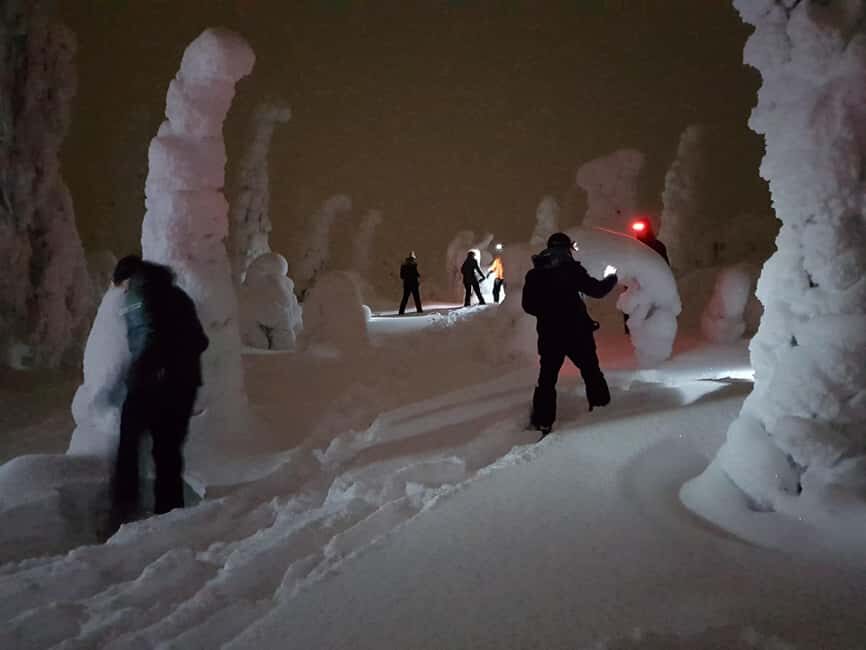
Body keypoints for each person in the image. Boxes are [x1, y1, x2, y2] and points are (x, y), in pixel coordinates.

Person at [111, 255, 209, 523]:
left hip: (153, 385)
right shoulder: (175, 293)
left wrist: (141, 373)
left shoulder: (141, 292)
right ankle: (169, 514)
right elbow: (201, 341)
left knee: (129, 445)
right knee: (167, 451)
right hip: (184, 385)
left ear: (129, 278)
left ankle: (123, 510)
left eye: (122, 286)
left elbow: (151, 335)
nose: (123, 292)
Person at [522, 232, 618, 438]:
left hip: (549, 335)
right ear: (566, 249)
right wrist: (611, 277)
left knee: (547, 379)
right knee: (591, 371)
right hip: (577, 333)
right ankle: (602, 411)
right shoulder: (571, 269)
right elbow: (597, 290)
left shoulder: (534, 274)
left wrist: (548, 311)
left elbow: (528, 306)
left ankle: (542, 421)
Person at [625, 218, 670, 333]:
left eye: (642, 228)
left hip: (654, 286)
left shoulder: (657, 246)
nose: (640, 231)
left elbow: (665, 266)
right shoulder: (633, 247)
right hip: (638, 286)